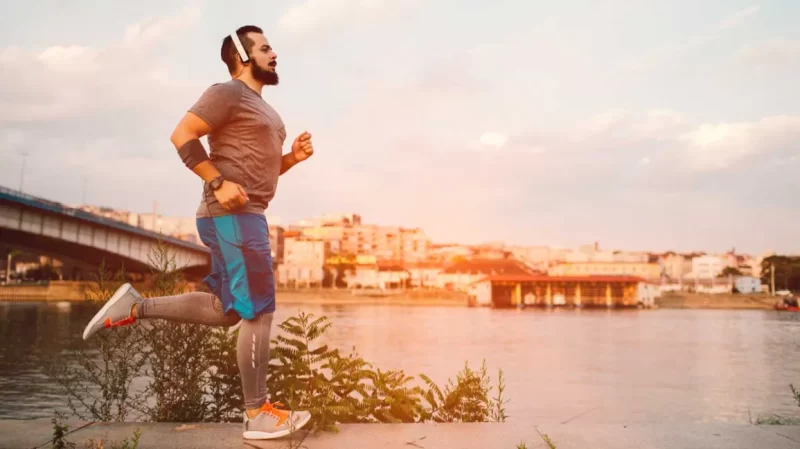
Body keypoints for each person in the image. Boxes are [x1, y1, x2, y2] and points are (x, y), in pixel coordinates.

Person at [81, 25, 313, 440]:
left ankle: (135, 308)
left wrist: (291, 159)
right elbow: (181, 135)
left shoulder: (267, 112)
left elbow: (260, 169)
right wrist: (219, 182)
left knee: (229, 312)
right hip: (229, 214)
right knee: (258, 309)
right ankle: (257, 415)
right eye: (264, 47)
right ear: (243, 57)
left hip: (248, 214)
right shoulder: (227, 93)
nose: (274, 53)